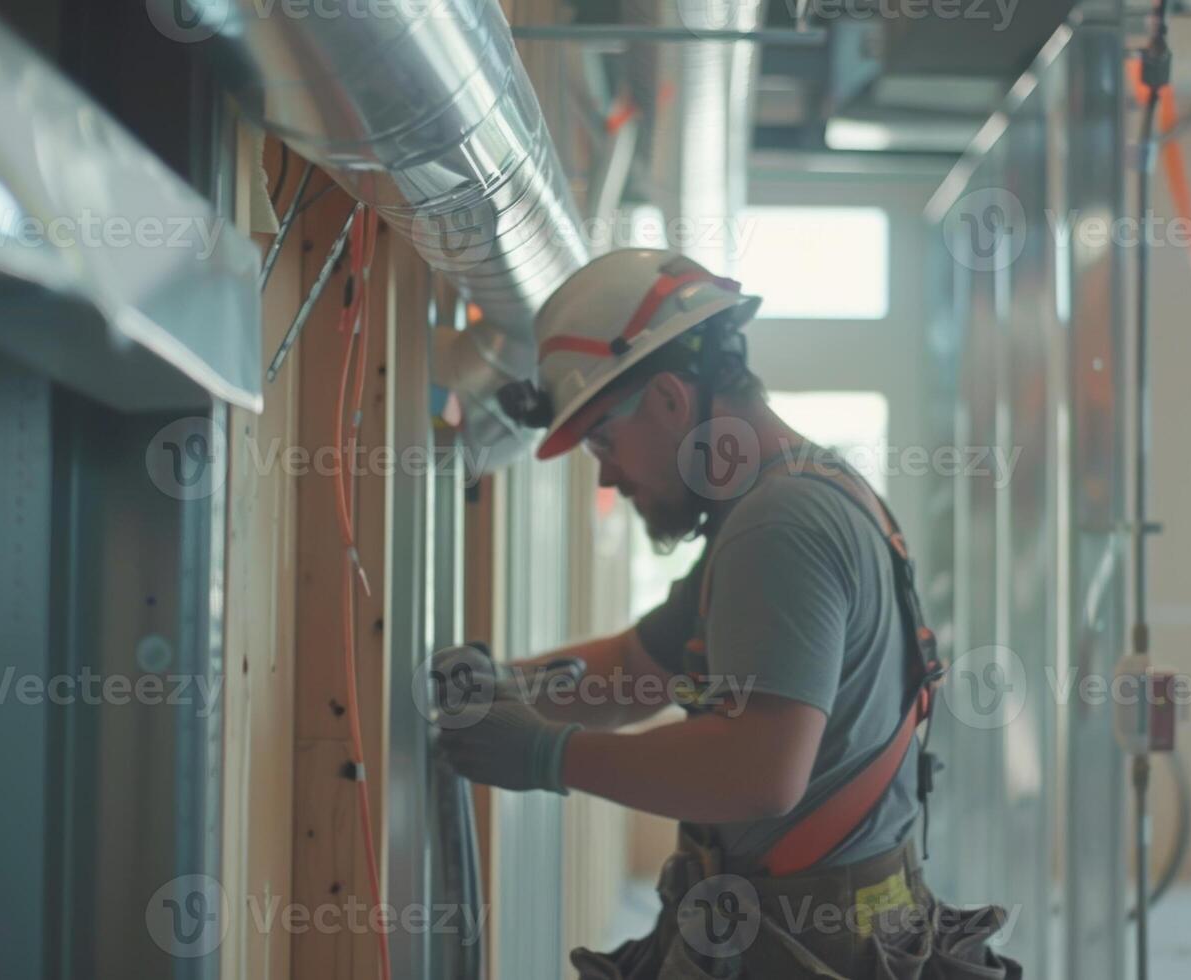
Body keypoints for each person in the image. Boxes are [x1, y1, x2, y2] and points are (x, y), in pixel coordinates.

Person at [433, 248, 1021, 980]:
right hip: (830, 926)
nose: (608, 473)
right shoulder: (793, 496)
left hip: (807, 947)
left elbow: (758, 770)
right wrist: (494, 691)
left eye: (603, 442)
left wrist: (548, 755)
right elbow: (631, 670)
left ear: (672, 400)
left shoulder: (779, 526)